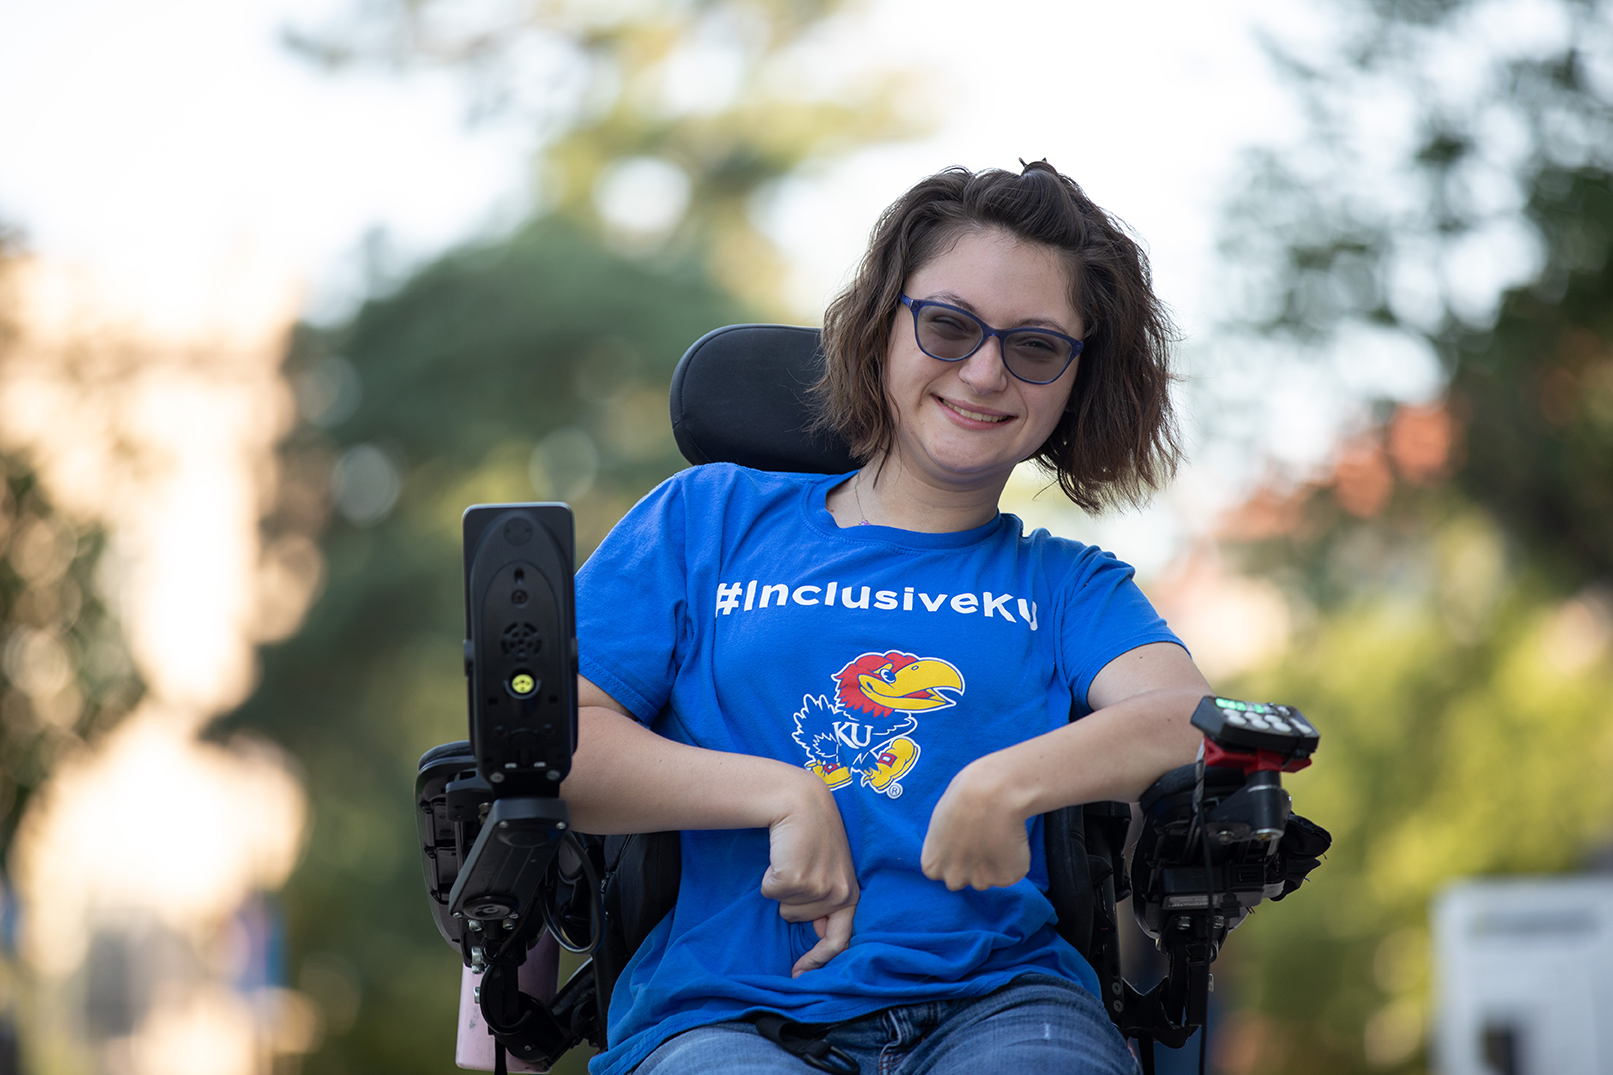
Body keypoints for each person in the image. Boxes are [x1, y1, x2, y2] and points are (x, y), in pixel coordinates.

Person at [559, 161, 1211, 1075]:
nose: (983, 372)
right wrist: (782, 793)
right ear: (881, 328)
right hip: (722, 1014)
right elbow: (556, 744)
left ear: (1074, 380)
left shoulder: (1068, 584)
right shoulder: (705, 518)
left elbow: (1186, 718)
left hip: (1003, 999)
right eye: (947, 325)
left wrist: (1002, 785)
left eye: (1034, 346)